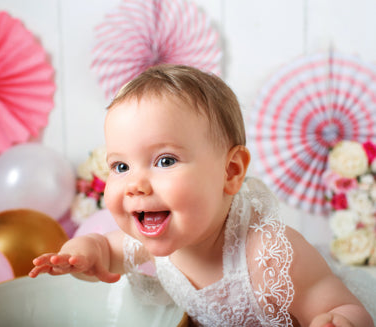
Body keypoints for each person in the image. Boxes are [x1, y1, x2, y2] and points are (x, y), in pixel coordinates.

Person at [29, 64, 374, 327]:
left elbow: (343, 307)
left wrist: (338, 320)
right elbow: (106, 249)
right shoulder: (150, 239)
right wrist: (83, 254)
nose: (135, 184)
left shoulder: (270, 256)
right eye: (120, 167)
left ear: (231, 171)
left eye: (165, 160)